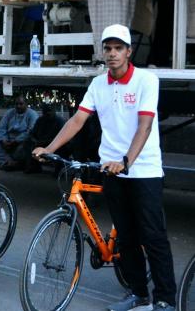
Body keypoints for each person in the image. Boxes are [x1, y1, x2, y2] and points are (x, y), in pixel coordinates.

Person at [33, 24, 176, 311]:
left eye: (118, 48)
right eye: (107, 48)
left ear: (129, 52)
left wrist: (126, 162)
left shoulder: (147, 81)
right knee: (126, 236)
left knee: (153, 235)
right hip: (109, 168)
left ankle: (165, 300)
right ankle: (139, 294)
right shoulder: (98, 85)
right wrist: (49, 149)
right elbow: (77, 121)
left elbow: (145, 126)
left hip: (143, 170)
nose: (112, 54)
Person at [14, 103, 68, 174]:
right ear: (43, 112)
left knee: (64, 146)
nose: (48, 113)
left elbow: (63, 137)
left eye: (50, 111)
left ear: (54, 111)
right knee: (27, 142)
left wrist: (46, 143)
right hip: (39, 142)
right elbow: (32, 133)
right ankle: (33, 166)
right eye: (46, 111)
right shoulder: (40, 120)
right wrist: (34, 140)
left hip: (54, 144)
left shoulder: (60, 121)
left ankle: (59, 170)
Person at [0, 95, 38, 171]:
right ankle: (7, 163)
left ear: (26, 104)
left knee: (25, 148)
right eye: (16, 104)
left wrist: (16, 141)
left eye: (21, 104)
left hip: (21, 143)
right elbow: (1, 128)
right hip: (6, 142)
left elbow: (30, 131)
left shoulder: (32, 114)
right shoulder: (9, 113)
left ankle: (6, 163)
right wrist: (4, 140)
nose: (18, 106)